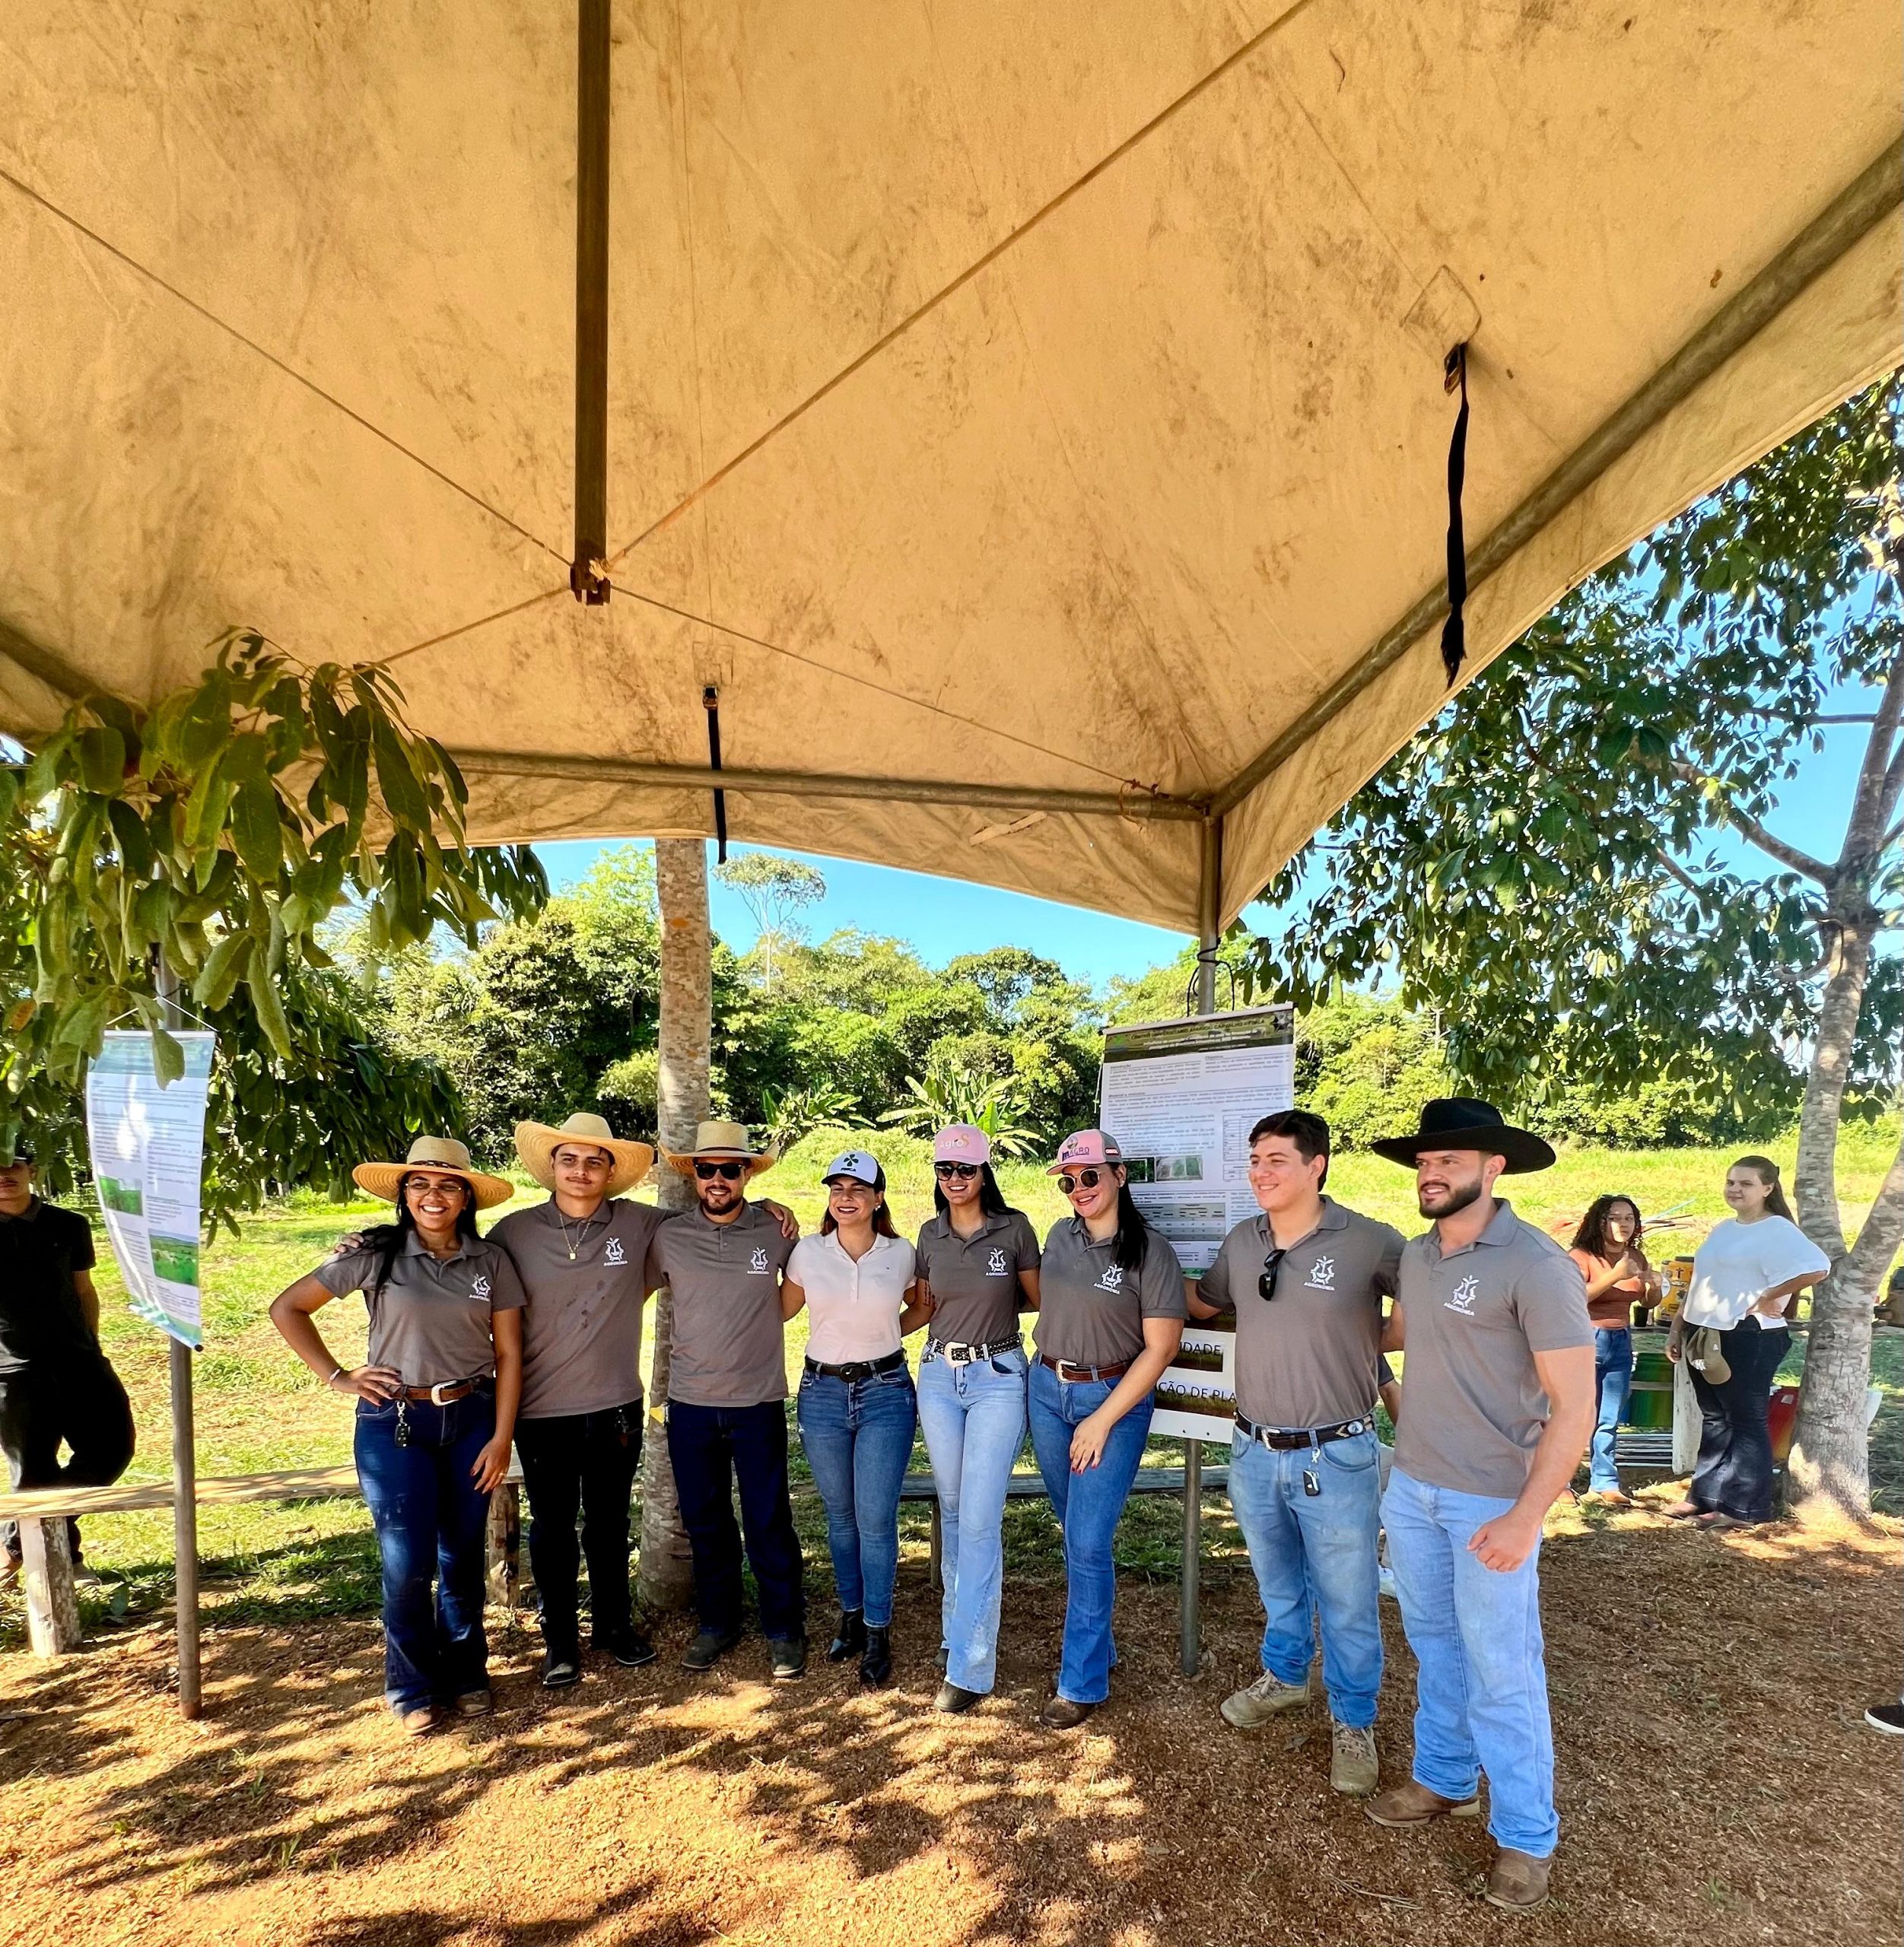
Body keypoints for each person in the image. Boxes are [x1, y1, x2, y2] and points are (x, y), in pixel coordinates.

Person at [1362, 1098, 1594, 1916]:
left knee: (1502, 1667)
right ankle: (1445, 1778)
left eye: (1449, 1161)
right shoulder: (1419, 1255)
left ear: (1493, 1168)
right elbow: (1397, 1336)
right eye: (1424, 1161)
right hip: (1413, 1488)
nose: (1430, 1173)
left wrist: (1527, 1515)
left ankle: (1526, 1836)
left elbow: (1575, 1406)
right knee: (1433, 1644)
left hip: (1490, 1499)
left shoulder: (1535, 1265)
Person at [269, 1137, 524, 1735]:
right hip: (396, 1422)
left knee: (461, 1555)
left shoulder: (490, 1261)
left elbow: (509, 1354)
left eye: (448, 1186)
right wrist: (337, 1376)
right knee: (406, 1561)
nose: (434, 1196)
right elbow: (288, 1308)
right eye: (420, 1184)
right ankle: (410, 1684)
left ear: (466, 1198)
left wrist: (501, 1437)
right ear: (405, 1194)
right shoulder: (377, 1255)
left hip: (472, 1418)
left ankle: (466, 1672)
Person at [1187, 1110, 1404, 1798]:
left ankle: (1353, 1720)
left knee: (1347, 1597)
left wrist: (1374, 1342)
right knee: (1277, 1581)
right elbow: (1202, 1302)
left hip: (1335, 1454)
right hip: (1252, 1448)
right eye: (1254, 1160)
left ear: (1317, 1166)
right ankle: (1284, 1677)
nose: (1260, 1173)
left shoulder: (1368, 1241)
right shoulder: (1243, 1241)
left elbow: (1427, 1306)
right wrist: (1136, 1270)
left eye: (1276, 1160)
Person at [487, 1113, 671, 1688]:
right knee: (553, 1527)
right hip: (541, 1410)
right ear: (552, 1167)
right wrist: (378, 1240)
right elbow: (453, 1261)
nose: (581, 1171)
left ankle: (614, 1626)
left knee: (610, 1522)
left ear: (611, 1172)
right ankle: (560, 1640)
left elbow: (715, 1224)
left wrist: (770, 1210)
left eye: (595, 1161)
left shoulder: (640, 1224)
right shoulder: (513, 1234)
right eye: (569, 1159)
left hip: (616, 1406)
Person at [1028, 1129, 1185, 1729]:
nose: (1078, 1188)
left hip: (1110, 1400)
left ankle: (1080, 1682)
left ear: (1119, 1176)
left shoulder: (1151, 1253)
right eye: (1068, 1181)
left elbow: (1161, 1348)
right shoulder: (1057, 1236)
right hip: (1046, 1391)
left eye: (1090, 1175)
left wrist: (1100, 1419)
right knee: (1073, 1529)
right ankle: (1098, 1646)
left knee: (1089, 1542)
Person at [648, 1120, 806, 1678]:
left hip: (758, 1401)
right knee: (705, 1519)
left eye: (730, 1169)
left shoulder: (775, 1230)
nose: (718, 1179)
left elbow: (800, 1290)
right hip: (690, 1404)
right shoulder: (667, 1236)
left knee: (768, 1517)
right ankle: (718, 1622)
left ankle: (783, 1626)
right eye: (707, 1169)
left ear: (746, 1174)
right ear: (693, 1175)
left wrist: (776, 1206)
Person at [783, 1149, 930, 1688]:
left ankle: (876, 1630)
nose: (845, 1198)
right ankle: (849, 1614)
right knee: (839, 1516)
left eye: (857, 1189)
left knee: (875, 1518)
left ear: (878, 1198)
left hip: (884, 1392)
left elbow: (922, 1307)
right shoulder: (807, 1252)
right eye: (837, 1189)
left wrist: (883, 1337)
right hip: (821, 1393)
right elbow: (781, 1309)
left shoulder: (901, 1253)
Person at [913, 1123, 1042, 1714]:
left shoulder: (1013, 1229)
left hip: (997, 1377)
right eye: (945, 1169)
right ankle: (957, 1631)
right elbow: (922, 1307)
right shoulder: (929, 1233)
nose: (955, 1179)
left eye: (966, 1169)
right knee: (953, 1508)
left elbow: (1037, 1297)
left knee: (980, 1518)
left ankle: (969, 1666)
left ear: (984, 1173)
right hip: (939, 1377)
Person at [0, 1141, 135, 1590]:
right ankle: (62, 1563)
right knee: (33, 1468)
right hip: (13, 1372)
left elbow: (83, 1290)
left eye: (13, 1165)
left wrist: (92, 1343)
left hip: (79, 1359)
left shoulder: (68, 1225)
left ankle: (14, 1541)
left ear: (32, 1170)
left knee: (112, 1449)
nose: (4, 1176)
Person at [1666, 1155, 1828, 1529]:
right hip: (1704, 1332)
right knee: (1714, 1417)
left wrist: (1769, 1296)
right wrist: (1678, 1327)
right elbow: (1700, 1282)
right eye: (1731, 1182)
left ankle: (1744, 1507)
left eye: (1746, 1183)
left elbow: (1818, 1267)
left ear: (1768, 1188)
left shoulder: (1778, 1230)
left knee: (1745, 1419)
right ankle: (1706, 1496)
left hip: (1748, 1335)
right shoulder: (1724, 1228)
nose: (1735, 1189)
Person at [1566, 1196, 1661, 1507]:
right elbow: (1574, 1297)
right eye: (1615, 1217)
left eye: (1629, 1218)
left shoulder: (1635, 1256)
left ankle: (1605, 1482)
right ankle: (1559, 1482)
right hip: (1585, 1338)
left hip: (1620, 1339)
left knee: (1609, 1416)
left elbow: (1647, 1302)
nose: (1623, 1224)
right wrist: (1615, 1275)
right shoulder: (1581, 1256)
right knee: (1575, 1415)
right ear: (1600, 1222)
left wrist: (1655, 1286)